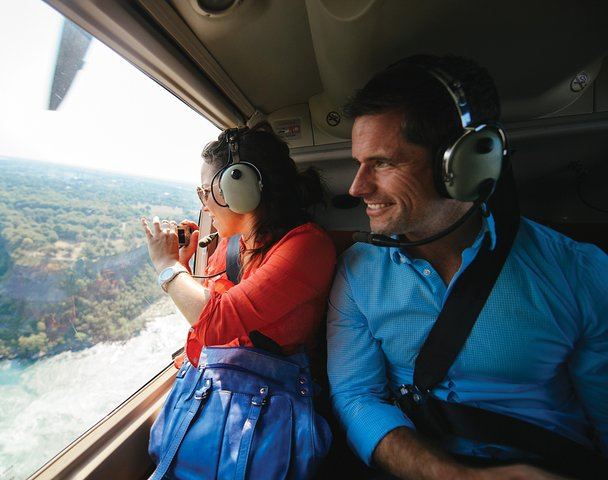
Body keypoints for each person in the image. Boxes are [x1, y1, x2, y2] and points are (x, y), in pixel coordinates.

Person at [326, 54, 608, 479]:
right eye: (359, 163)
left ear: (463, 163)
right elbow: (356, 397)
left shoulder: (580, 273)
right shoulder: (357, 272)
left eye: (383, 163)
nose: (357, 187)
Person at [141, 121, 336, 372]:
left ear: (238, 187)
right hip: (224, 376)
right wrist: (180, 264)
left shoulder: (307, 247)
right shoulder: (233, 242)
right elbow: (206, 309)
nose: (204, 206)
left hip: (264, 391)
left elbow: (215, 324)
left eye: (205, 192)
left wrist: (166, 265)